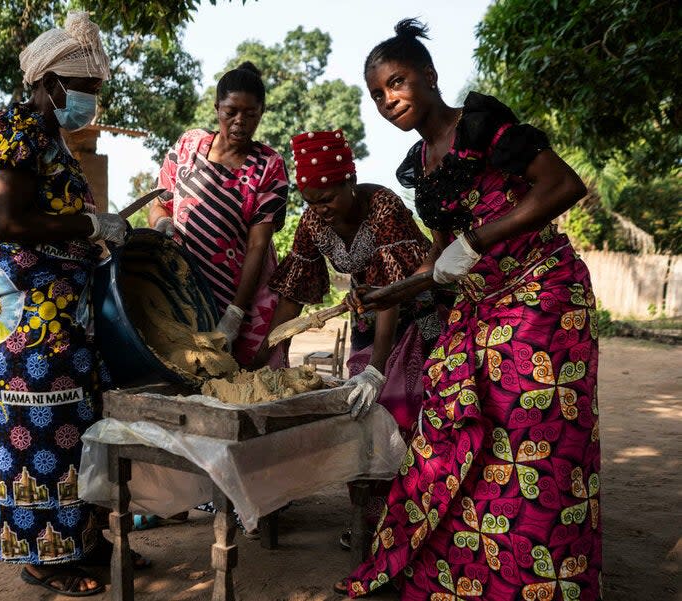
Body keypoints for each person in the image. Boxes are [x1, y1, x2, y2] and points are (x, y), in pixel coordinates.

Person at [336, 19, 600, 599]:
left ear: (430, 77)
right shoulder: (422, 161)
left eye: (398, 82)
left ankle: (537, 581)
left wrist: (477, 242)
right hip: (481, 306)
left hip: (543, 297)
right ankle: (465, 575)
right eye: (378, 94)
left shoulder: (484, 126)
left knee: (533, 444)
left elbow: (562, 186)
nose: (389, 100)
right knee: (446, 431)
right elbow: (442, 259)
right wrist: (393, 294)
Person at [0, 11, 143, 596]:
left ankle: (84, 540)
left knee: (77, 423)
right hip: (26, 317)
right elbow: (6, 222)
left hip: (60, 314)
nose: (92, 101)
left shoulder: (53, 140)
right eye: (86, 90)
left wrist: (97, 233)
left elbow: (54, 221)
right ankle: (42, 558)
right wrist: (89, 222)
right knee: (37, 426)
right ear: (51, 85)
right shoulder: (19, 128)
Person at [264, 129, 444, 547]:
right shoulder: (312, 221)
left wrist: (377, 371)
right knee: (358, 416)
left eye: (327, 197)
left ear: (350, 180)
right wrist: (269, 348)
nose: (319, 209)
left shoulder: (382, 205)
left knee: (404, 411)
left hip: (417, 315)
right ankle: (371, 520)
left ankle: (417, 523)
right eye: (310, 200)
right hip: (370, 317)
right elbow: (293, 290)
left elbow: (395, 292)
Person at [149, 61, 289, 368]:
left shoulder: (268, 164)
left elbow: (257, 245)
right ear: (217, 108)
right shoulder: (189, 145)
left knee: (239, 380)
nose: (240, 121)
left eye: (250, 114)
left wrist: (236, 313)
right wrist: (161, 224)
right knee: (186, 370)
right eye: (231, 112)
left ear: (261, 113)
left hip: (240, 293)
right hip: (184, 290)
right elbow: (160, 202)